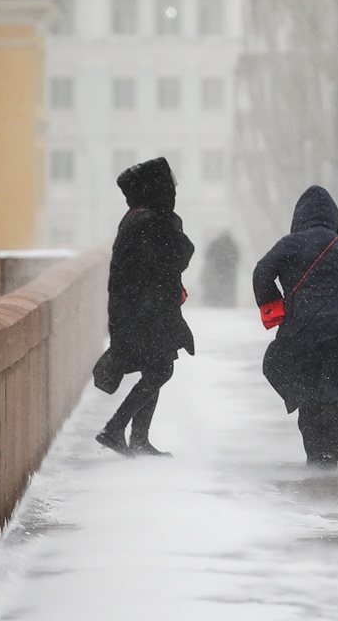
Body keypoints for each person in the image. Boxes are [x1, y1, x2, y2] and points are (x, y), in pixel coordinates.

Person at [253, 185, 338, 468]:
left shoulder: (289, 245)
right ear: (333, 217)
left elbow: (261, 272)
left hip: (302, 333)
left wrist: (274, 304)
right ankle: (330, 455)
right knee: (336, 396)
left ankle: (314, 454)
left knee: (307, 394)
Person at [95, 157, 195, 457]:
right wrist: (173, 226)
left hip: (142, 310)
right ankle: (115, 428)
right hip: (145, 312)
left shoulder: (139, 217)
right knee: (160, 369)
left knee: (156, 366)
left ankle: (138, 438)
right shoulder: (149, 221)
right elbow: (177, 256)